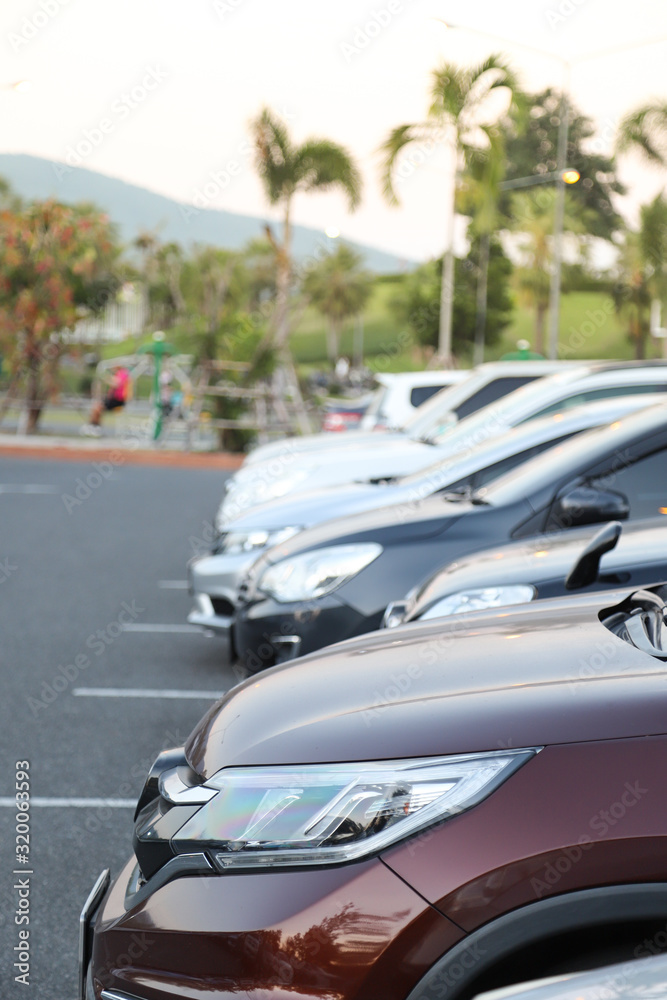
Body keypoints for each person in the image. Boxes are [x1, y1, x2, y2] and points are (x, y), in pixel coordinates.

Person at [81, 366, 131, 436]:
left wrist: (106, 377)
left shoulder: (123, 373)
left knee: (98, 408)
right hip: (112, 399)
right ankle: (94, 426)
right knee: (96, 407)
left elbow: (117, 383)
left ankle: (95, 427)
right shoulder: (117, 374)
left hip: (118, 400)